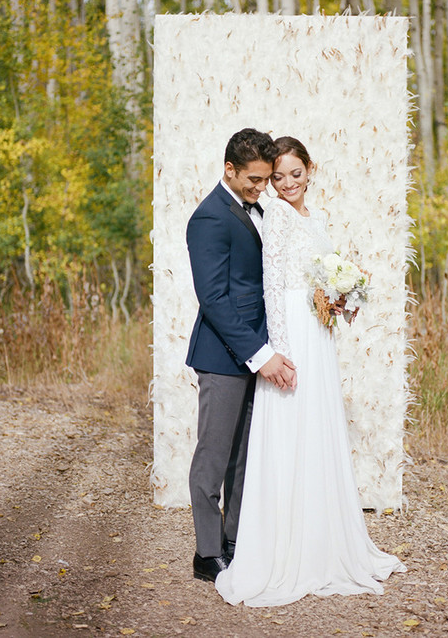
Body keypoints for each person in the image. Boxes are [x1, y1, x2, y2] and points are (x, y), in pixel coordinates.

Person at [215, 136, 406, 606]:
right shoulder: (277, 217)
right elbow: (272, 286)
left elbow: (315, 279)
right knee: (291, 428)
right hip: (294, 337)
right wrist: (278, 352)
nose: (286, 184)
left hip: (319, 334)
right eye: (277, 177)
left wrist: (339, 299)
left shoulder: (314, 218)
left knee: (318, 428)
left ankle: (325, 537)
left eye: (295, 174)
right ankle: (288, 546)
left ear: (310, 169)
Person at [186, 128, 297, 584]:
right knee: (213, 457)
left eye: (266, 179)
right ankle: (207, 553)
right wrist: (260, 355)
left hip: (258, 350)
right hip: (222, 356)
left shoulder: (257, 209)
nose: (261, 188)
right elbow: (214, 299)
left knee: (243, 458)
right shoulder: (209, 217)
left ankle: (234, 542)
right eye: (254, 179)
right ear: (229, 169)